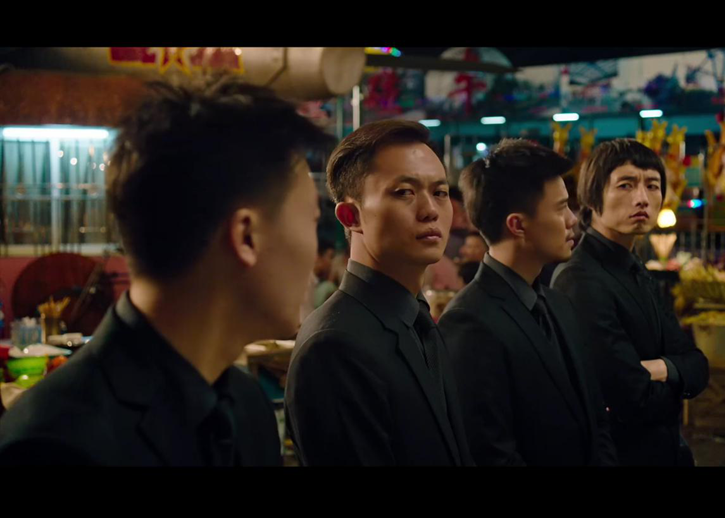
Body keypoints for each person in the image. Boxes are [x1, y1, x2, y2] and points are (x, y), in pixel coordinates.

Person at [0, 77, 332, 466]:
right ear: (246, 236)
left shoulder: (246, 406)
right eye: (312, 221)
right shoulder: (55, 445)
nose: (315, 254)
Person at [286, 120, 473, 466]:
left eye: (440, 192)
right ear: (351, 216)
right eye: (404, 192)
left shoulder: (417, 317)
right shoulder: (335, 345)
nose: (430, 210)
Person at [438, 139, 617, 466]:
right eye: (560, 208)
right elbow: (490, 452)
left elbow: (596, 419)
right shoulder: (469, 323)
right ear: (517, 225)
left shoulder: (558, 303)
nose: (573, 220)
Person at [552, 139, 709, 466]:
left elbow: (698, 364)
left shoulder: (634, 266)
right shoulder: (580, 279)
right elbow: (631, 397)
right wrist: (678, 376)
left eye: (652, 185)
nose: (642, 198)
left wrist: (662, 368)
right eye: (626, 185)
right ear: (592, 196)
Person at [299, 238, 337, 322]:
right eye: (330, 257)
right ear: (318, 257)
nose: (331, 263)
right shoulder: (305, 282)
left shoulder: (313, 281)